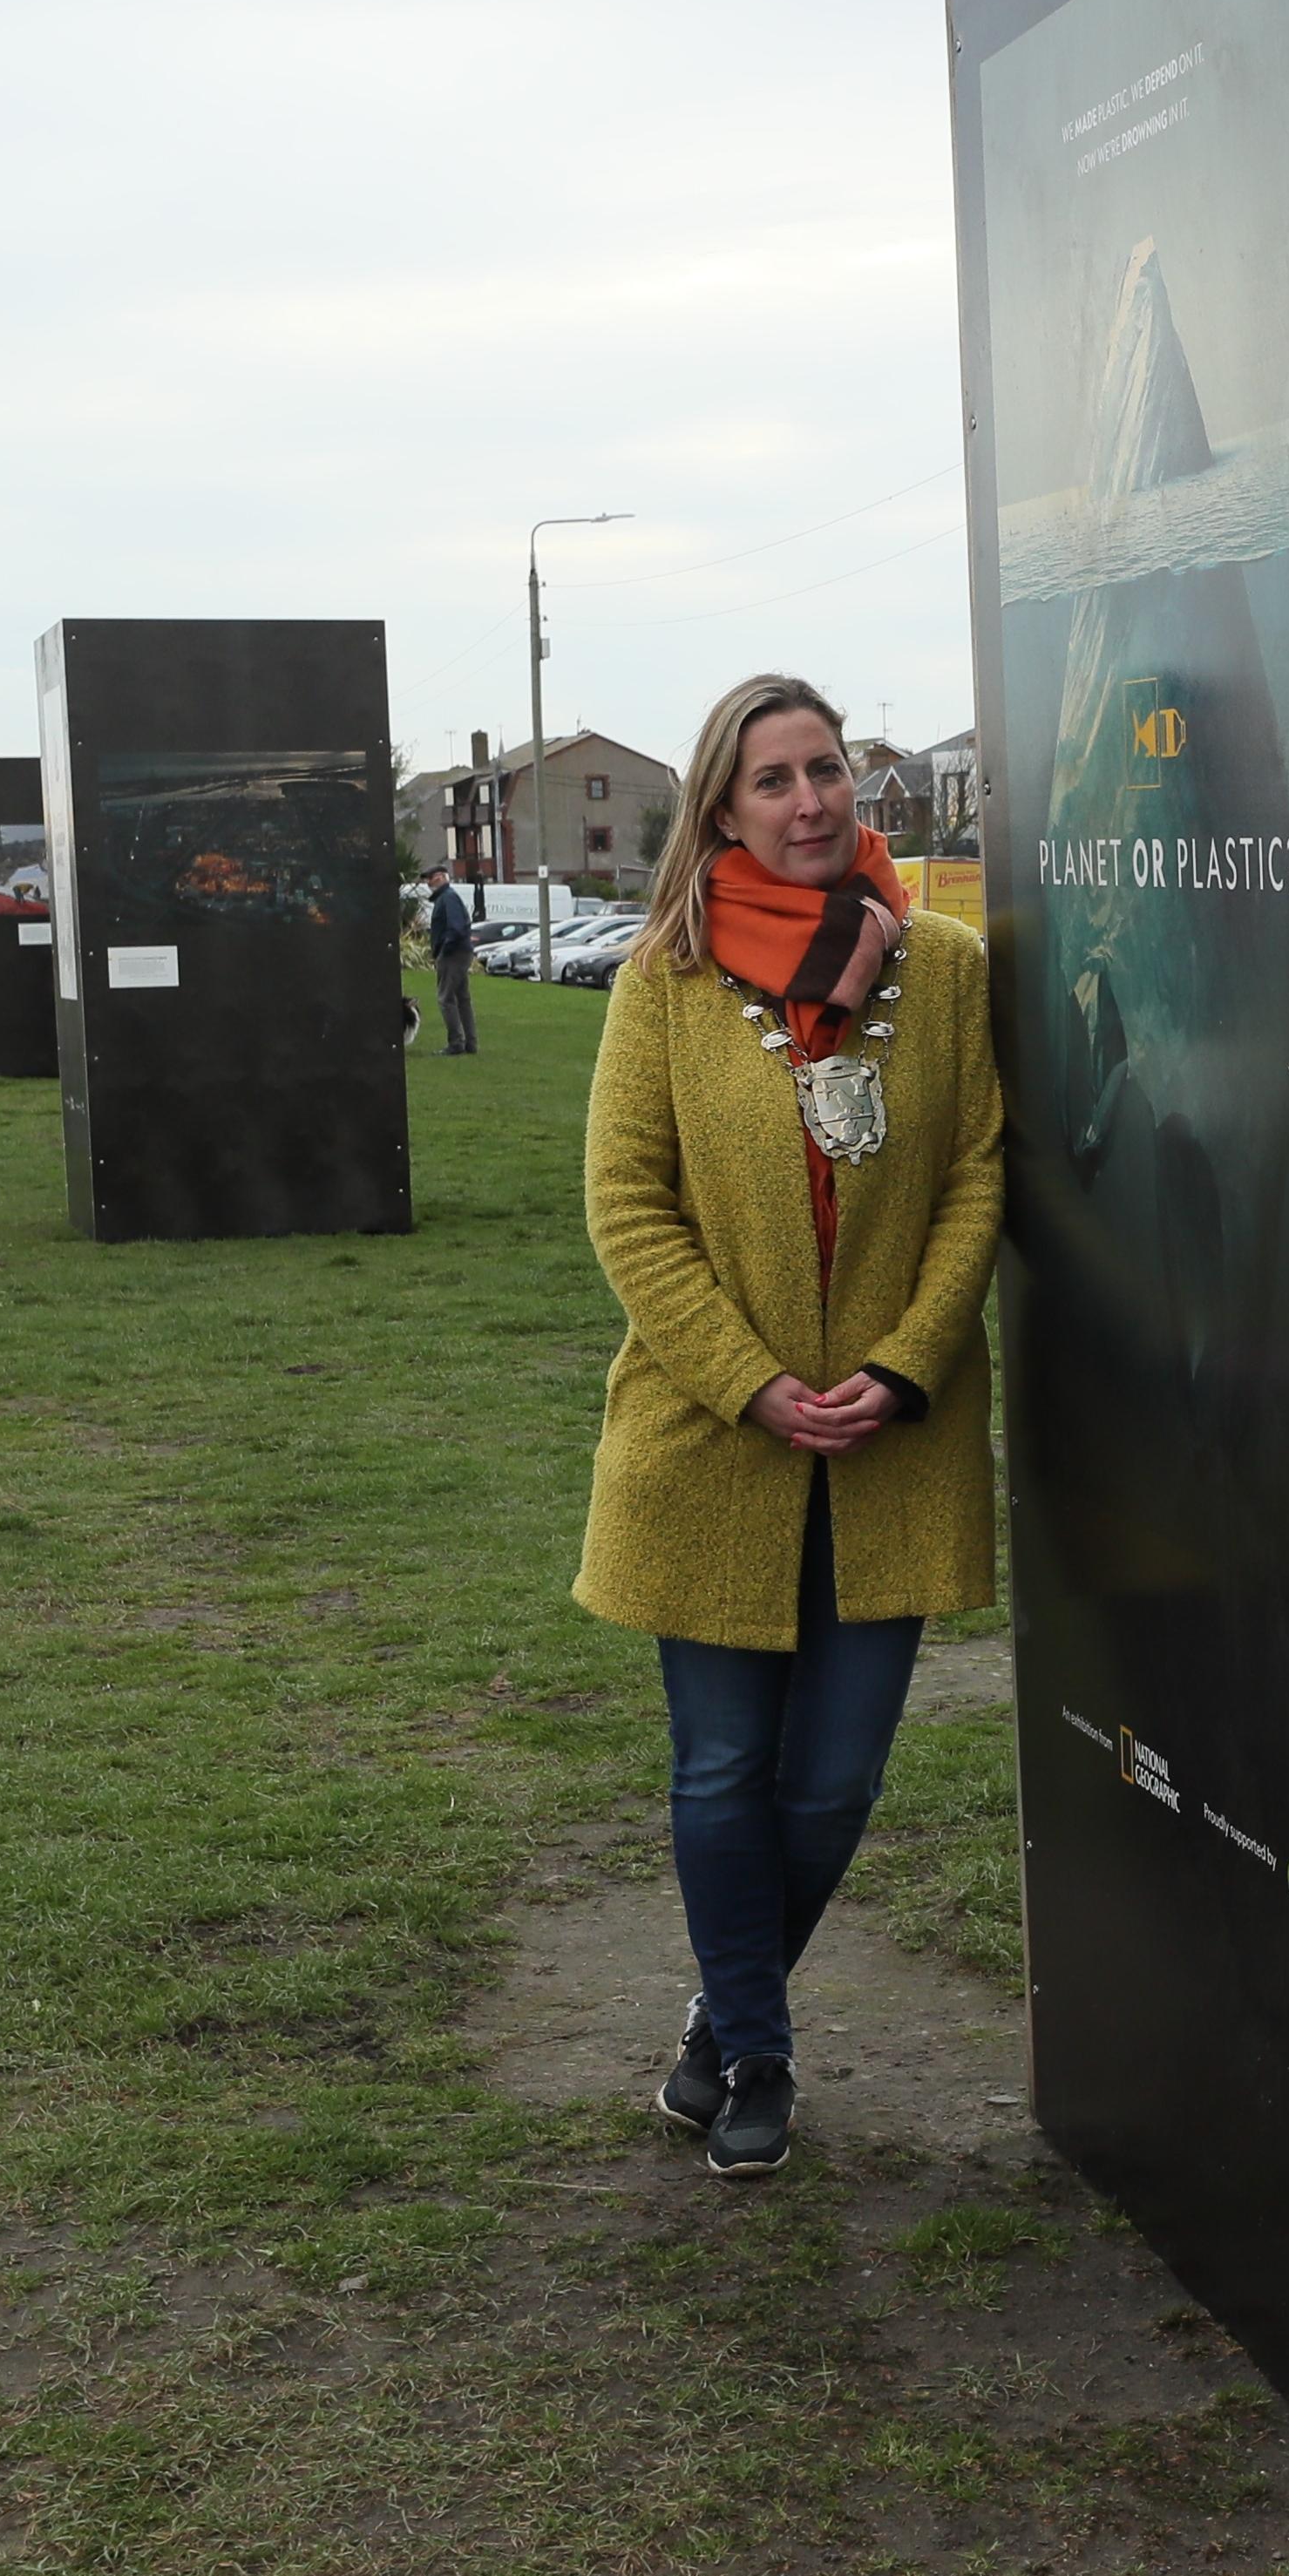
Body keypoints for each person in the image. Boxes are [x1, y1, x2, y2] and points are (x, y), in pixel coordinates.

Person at [574, 675, 1002, 2178]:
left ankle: (714, 2019)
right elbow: (627, 1204)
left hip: (893, 1440)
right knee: (719, 1772)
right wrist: (750, 1377)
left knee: (832, 1782)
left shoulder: (942, 969)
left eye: (828, 769)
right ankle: (758, 2047)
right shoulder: (666, 980)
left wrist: (905, 1358)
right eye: (775, 779)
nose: (811, 799)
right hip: (714, 1441)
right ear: (722, 808)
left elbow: (975, 1178)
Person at [422, 862, 478, 1054]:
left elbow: (455, 927)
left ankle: (456, 1043)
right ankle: (470, 1043)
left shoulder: (447, 898)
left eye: (430, 879)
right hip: (460, 952)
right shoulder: (448, 897)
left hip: (453, 954)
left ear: (439, 877)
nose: (428, 883)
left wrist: (444, 949)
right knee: (462, 998)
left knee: (445, 998)